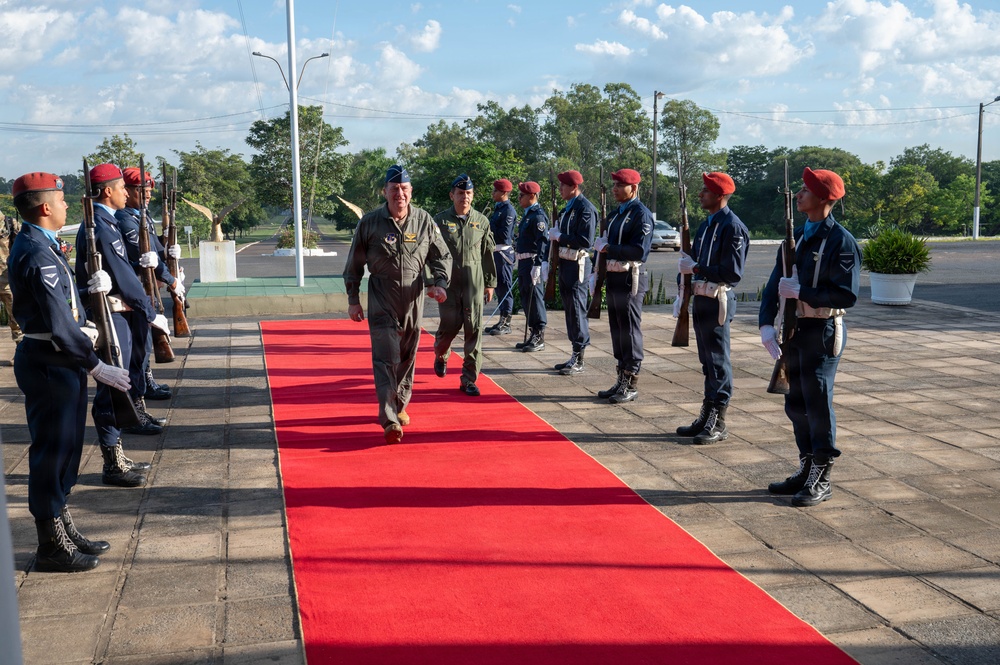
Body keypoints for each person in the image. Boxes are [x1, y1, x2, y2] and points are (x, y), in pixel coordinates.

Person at [8, 171, 131, 572]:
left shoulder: (42, 245)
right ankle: (50, 545)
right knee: (52, 451)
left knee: (68, 451)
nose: (65, 207)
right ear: (45, 207)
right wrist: (95, 364)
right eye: (61, 202)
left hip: (61, 361)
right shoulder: (35, 250)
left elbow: (63, 306)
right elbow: (58, 323)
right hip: (50, 363)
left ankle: (64, 526)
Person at [759, 167, 861, 507]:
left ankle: (823, 474)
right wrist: (764, 324)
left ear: (823, 198)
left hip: (822, 331)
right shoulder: (798, 236)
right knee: (796, 403)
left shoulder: (841, 242)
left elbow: (845, 295)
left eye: (806, 190)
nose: (799, 194)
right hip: (795, 330)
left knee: (817, 404)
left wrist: (805, 291)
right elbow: (774, 284)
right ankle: (806, 466)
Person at [75, 163, 170, 487]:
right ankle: (112, 463)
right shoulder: (101, 225)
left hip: (119, 310)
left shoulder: (105, 222)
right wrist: (148, 308)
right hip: (112, 312)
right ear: (108, 191)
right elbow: (123, 276)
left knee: (121, 379)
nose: (126, 193)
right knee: (111, 386)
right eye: (121, 188)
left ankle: (118, 455)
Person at [344, 165, 452, 444]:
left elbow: (442, 256)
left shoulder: (424, 221)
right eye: (394, 189)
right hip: (382, 297)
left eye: (404, 189)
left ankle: (400, 403)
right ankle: (389, 418)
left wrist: (440, 283)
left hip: (414, 299)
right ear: (385, 192)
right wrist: (353, 299)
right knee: (386, 358)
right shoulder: (369, 222)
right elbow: (354, 263)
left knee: (406, 357)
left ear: (410, 191)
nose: (399, 194)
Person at [676, 172, 750, 444]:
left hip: (718, 299)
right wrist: (683, 286)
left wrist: (696, 268)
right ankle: (707, 415)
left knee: (718, 362)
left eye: (706, 191)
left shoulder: (733, 227)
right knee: (707, 362)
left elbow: (732, 273)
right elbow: (692, 260)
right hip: (701, 298)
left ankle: (718, 420)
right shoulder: (707, 225)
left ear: (720, 195)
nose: (700, 195)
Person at [115, 167, 184, 405]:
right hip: (137, 288)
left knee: (145, 342)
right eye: (141, 190)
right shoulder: (125, 219)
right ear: (128, 190)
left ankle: (146, 382)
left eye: (148, 191)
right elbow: (141, 253)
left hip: (147, 286)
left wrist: (168, 250)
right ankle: (140, 390)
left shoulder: (138, 216)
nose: (147, 195)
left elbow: (155, 248)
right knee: (140, 344)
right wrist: (171, 279)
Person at [432, 174, 497, 396]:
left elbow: (488, 254)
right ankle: (441, 353)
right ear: (452, 195)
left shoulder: (482, 221)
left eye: (468, 193)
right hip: (448, 285)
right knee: (448, 329)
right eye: (460, 193)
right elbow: (430, 254)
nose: (465, 197)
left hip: (474, 284)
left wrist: (490, 283)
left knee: (474, 330)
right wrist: (432, 283)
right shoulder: (439, 221)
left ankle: (468, 379)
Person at [592, 169, 652, 403]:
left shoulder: (641, 215)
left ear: (633, 188)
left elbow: (639, 251)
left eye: (620, 185)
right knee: (617, 329)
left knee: (628, 329)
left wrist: (609, 249)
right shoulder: (617, 214)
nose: (615, 188)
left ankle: (631, 380)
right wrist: (595, 271)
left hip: (631, 278)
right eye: (614, 184)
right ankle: (621, 378)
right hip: (615, 277)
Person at [550, 170, 598, 375]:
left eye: (564, 186)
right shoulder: (568, 208)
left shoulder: (585, 209)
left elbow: (586, 240)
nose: (560, 189)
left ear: (574, 187)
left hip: (578, 265)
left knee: (577, 310)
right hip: (565, 263)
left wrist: (561, 236)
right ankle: (574, 353)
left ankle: (579, 357)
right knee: (570, 310)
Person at [512, 181, 549, 352]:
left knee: (535, 298)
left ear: (532, 196)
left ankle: (539, 335)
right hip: (524, 262)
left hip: (532, 261)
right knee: (526, 297)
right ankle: (533, 332)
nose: (519, 198)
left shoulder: (538, 216)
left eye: (522, 195)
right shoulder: (528, 215)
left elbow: (542, 242)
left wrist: (538, 263)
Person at [486, 179, 517, 336]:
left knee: (505, 286)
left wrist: (488, 230)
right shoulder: (498, 209)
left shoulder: (508, 211)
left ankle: (507, 322)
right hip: (496, 252)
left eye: (496, 191)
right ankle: (501, 319)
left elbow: (504, 236)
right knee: (498, 287)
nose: (493, 193)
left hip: (503, 253)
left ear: (504, 193)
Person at [0, 209, 24, 362]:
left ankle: (21, 352)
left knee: (17, 319)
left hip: (7, 279)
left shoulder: (10, 223)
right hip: (7, 279)